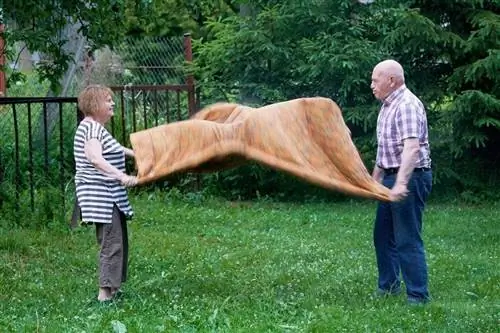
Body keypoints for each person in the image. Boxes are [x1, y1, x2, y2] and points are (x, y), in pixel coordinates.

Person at [370, 60, 433, 305]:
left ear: (392, 81)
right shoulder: (387, 106)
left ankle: (418, 295)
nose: (372, 85)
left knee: (407, 237)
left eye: (376, 80)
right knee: (383, 236)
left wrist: (401, 183)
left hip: (411, 176)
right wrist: (375, 180)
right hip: (390, 176)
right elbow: (386, 149)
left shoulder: (406, 105)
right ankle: (389, 286)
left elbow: (412, 148)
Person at [73, 84, 138, 302]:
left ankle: (114, 289)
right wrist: (121, 176)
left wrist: (142, 154)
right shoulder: (90, 128)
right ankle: (104, 295)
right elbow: (95, 158)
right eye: (107, 100)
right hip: (101, 195)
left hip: (109, 195)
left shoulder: (96, 128)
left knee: (118, 238)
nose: (112, 103)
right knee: (111, 242)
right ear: (94, 105)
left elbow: (118, 149)